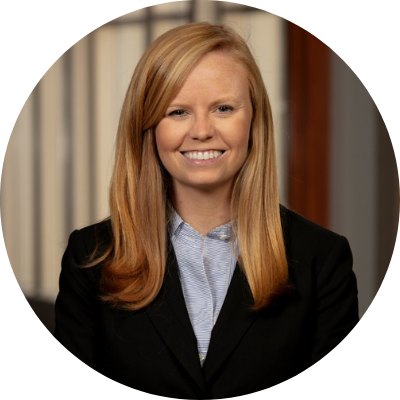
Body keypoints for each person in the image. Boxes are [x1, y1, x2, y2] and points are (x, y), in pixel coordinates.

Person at [54, 22, 359, 399]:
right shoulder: (90, 258)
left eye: (224, 108)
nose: (201, 131)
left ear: (254, 121)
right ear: (147, 127)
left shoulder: (323, 260)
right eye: (177, 111)